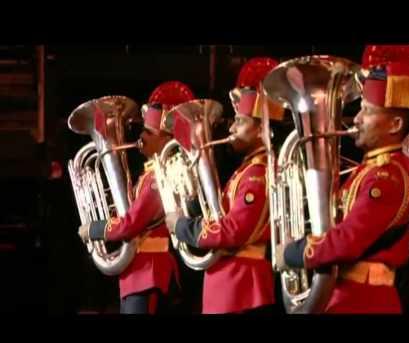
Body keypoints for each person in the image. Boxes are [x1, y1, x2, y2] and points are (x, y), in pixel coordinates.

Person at [277, 45, 409, 313]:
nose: (357, 118)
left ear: (394, 125)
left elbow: (346, 241)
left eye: (367, 111)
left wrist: (293, 252)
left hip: (364, 300)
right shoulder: (367, 171)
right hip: (347, 297)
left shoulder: (387, 177)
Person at [165, 58, 282, 314]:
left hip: (241, 289)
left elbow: (232, 232)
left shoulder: (258, 174)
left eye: (240, 121)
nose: (231, 128)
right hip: (229, 287)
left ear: (262, 129)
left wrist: (182, 225)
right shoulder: (247, 170)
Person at [78, 81, 195, 314]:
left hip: (149, 272)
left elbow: (130, 223)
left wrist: (94, 229)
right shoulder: (150, 174)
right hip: (140, 272)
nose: (140, 135)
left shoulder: (158, 178)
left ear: (167, 138)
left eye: (149, 132)